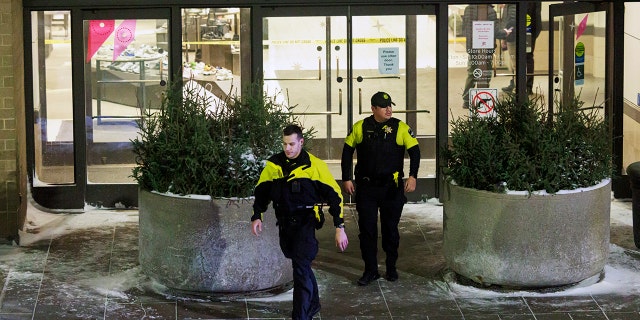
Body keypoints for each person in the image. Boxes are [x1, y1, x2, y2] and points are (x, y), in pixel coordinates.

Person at [251, 124, 349, 320]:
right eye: (285, 144)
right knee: (299, 263)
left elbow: (335, 196)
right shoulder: (274, 165)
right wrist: (257, 215)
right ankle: (313, 304)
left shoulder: (315, 167)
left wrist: (340, 226)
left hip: (305, 223)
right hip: (285, 223)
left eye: (292, 144)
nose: (287, 148)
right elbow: (261, 192)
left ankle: (301, 316)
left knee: (300, 269)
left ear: (301, 143)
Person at [340, 92, 420, 286]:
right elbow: (346, 152)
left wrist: (412, 176)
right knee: (367, 231)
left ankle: (391, 268)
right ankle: (371, 270)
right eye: (384, 107)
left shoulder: (400, 127)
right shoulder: (361, 127)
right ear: (373, 108)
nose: (389, 110)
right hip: (367, 188)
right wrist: (346, 178)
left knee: (390, 230)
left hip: (391, 189)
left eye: (390, 106)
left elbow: (415, 151)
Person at [461, 4, 512, 109]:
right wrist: (505, 32)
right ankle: (482, 97)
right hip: (485, 49)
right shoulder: (490, 11)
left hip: (472, 47)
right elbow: (495, 32)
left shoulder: (468, 9)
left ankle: (466, 100)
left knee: (472, 73)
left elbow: (464, 29)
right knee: (485, 74)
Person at [501, 3, 542, 95]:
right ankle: (521, 85)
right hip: (528, 30)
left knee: (523, 59)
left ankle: (524, 86)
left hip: (522, 31)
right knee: (522, 58)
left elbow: (514, 16)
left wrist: (504, 35)